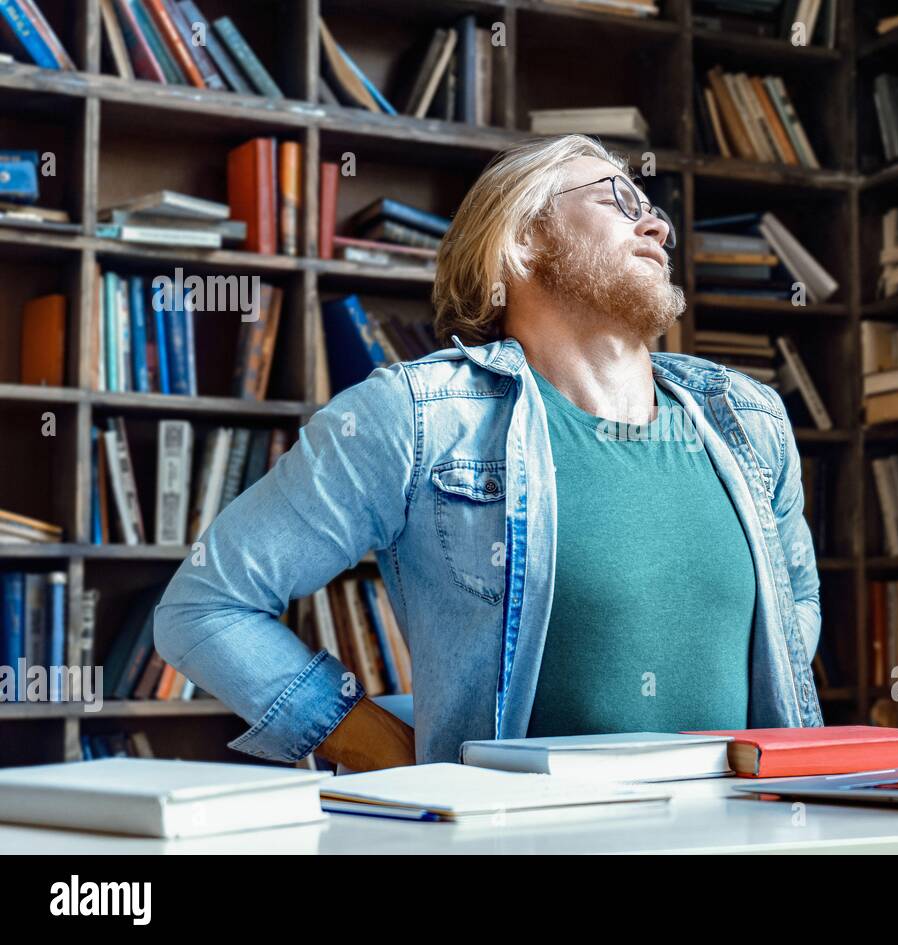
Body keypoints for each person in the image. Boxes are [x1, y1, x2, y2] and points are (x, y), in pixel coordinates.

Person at [153, 134, 823, 772]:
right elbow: (205, 607)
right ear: (521, 244)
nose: (658, 227)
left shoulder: (750, 418)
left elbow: (799, 600)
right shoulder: (415, 418)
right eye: (616, 200)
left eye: (652, 210)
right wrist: (406, 762)